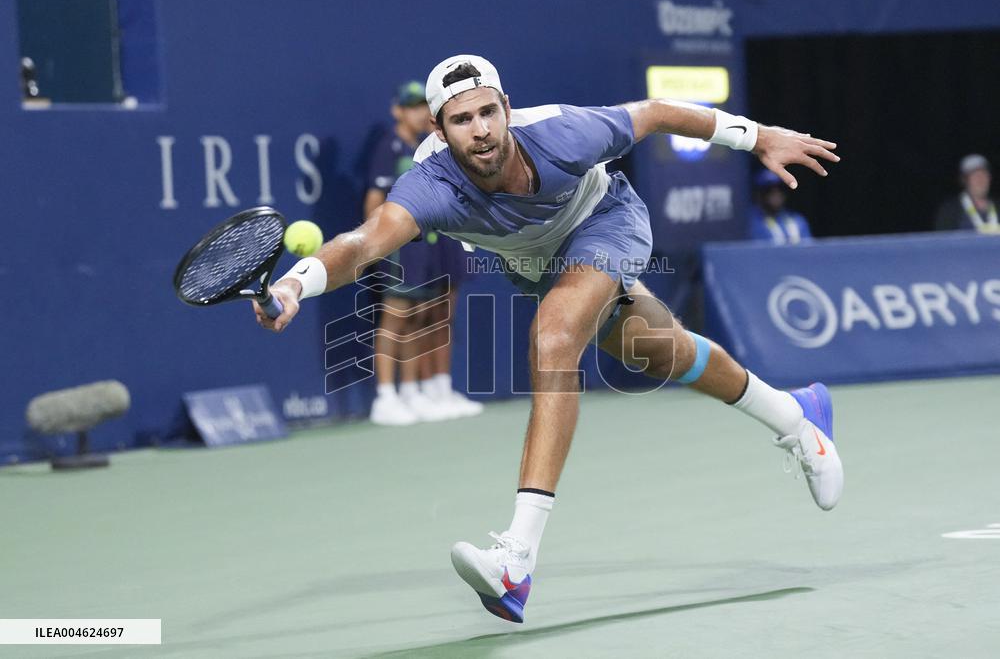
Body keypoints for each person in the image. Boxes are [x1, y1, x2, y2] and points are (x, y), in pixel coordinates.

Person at [255, 55, 844, 623]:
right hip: (537, 264)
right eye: (461, 120)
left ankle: (516, 561)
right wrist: (292, 288)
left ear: (507, 108)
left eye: (489, 112)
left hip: (604, 220)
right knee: (663, 350)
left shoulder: (564, 134)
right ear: (438, 128)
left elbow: (659, 112)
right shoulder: (430, 185)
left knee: (554, 337)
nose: (481, 131)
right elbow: (362, 244)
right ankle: (797, 414)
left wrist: (758, 136)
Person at [363, 81, 483, 425]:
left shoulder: (421, 146)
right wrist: (381, 243)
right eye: (411, 106)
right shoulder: (389, 147)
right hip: (397, 249)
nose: (419, 113)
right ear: (397, 110)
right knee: (396, 318)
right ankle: (385, 397)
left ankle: (412, 391)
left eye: (422, 107)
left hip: (423, 246)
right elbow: (374, 204)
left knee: (417, 318)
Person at [934, 154, 999, 234]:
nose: (980, 180)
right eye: (975, 176)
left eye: (984, 174)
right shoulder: (950, 210)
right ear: (964, 180)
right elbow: (942, 242)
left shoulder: (997, 206)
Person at [747, 168, 813, 244]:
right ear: (759, 194)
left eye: (780, 189)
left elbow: (809, 251)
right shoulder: (750, 222)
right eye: (768, 190)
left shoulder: (798, 220)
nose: (776, 194)